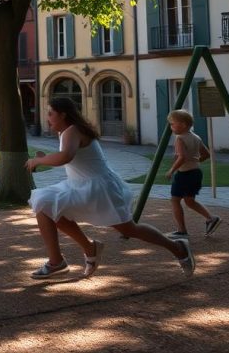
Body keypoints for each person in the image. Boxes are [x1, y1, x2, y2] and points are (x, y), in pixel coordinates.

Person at [25, 97, 195, 280]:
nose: (47, 117)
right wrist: (45, 157)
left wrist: (38, 160)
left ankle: (177, 247)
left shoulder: (72, 131)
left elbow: (65, 156)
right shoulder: (68, 131)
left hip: (99, 188)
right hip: (83, 185)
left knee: (129, 229)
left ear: (63, 114)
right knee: (46, 205)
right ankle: (63, 258)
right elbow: (68, 156)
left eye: (51, 113)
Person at [164, 110, 221, 239]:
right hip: (195, 173)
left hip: (184, 174)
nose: (171, 127)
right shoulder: (196, 137)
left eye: (173, 124)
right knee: (189, 201)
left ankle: (181, 230)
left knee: (174, 200)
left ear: (183, 125)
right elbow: (206, 154)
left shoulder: (180, 138)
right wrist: (195, 161)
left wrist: (171, 170)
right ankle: (211, 218)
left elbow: (182, 157)